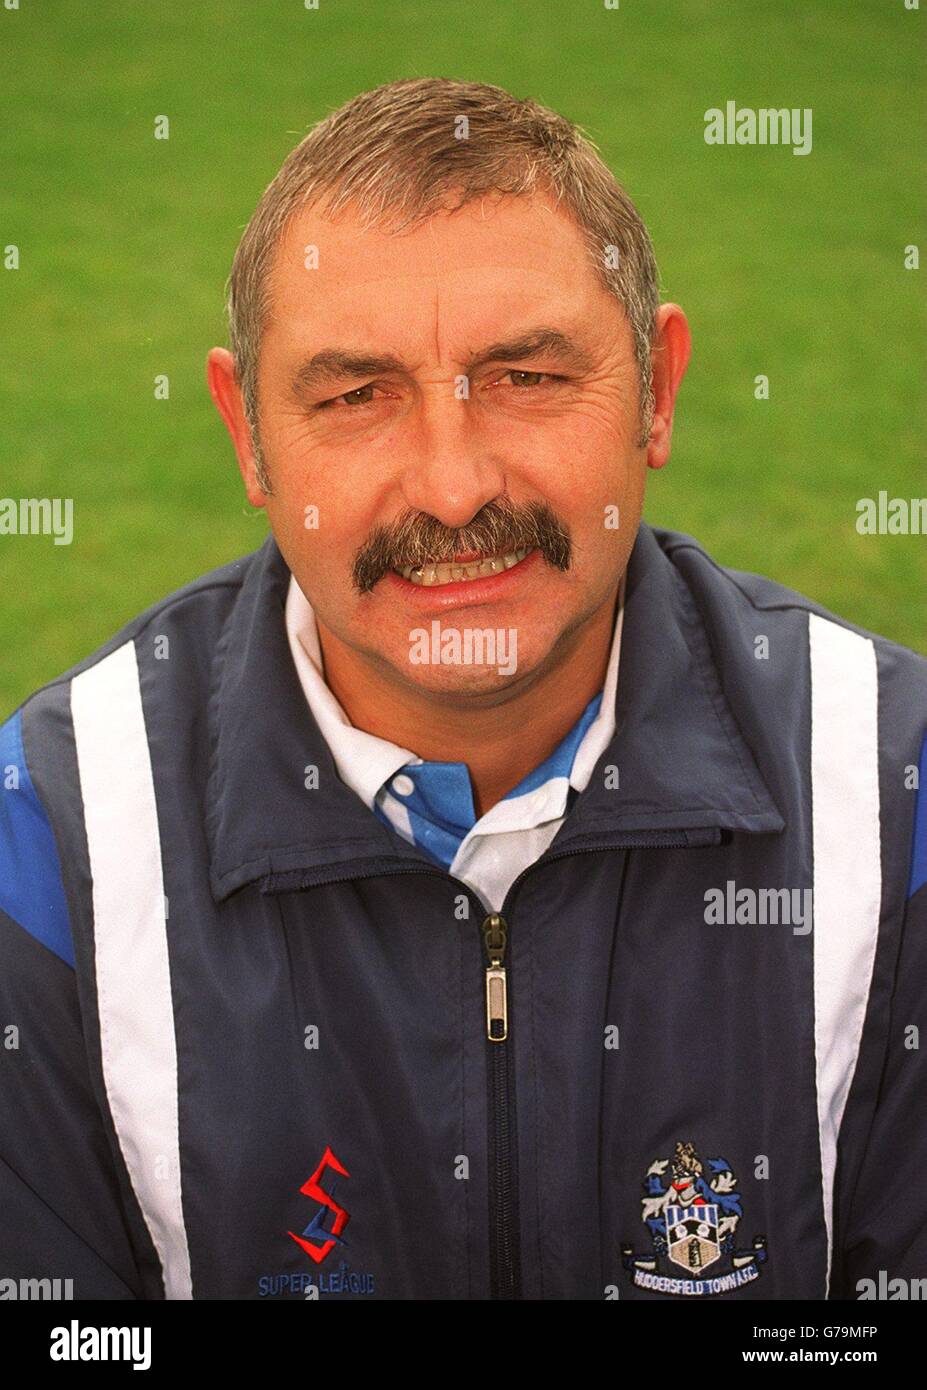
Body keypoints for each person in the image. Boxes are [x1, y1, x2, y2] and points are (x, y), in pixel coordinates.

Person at [1, 78, 924, 1303]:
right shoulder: (50, 848)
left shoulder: (895, 793)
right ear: (247, 435)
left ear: (656, 386)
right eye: (353, 396)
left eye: (528, 376)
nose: (449, 486)